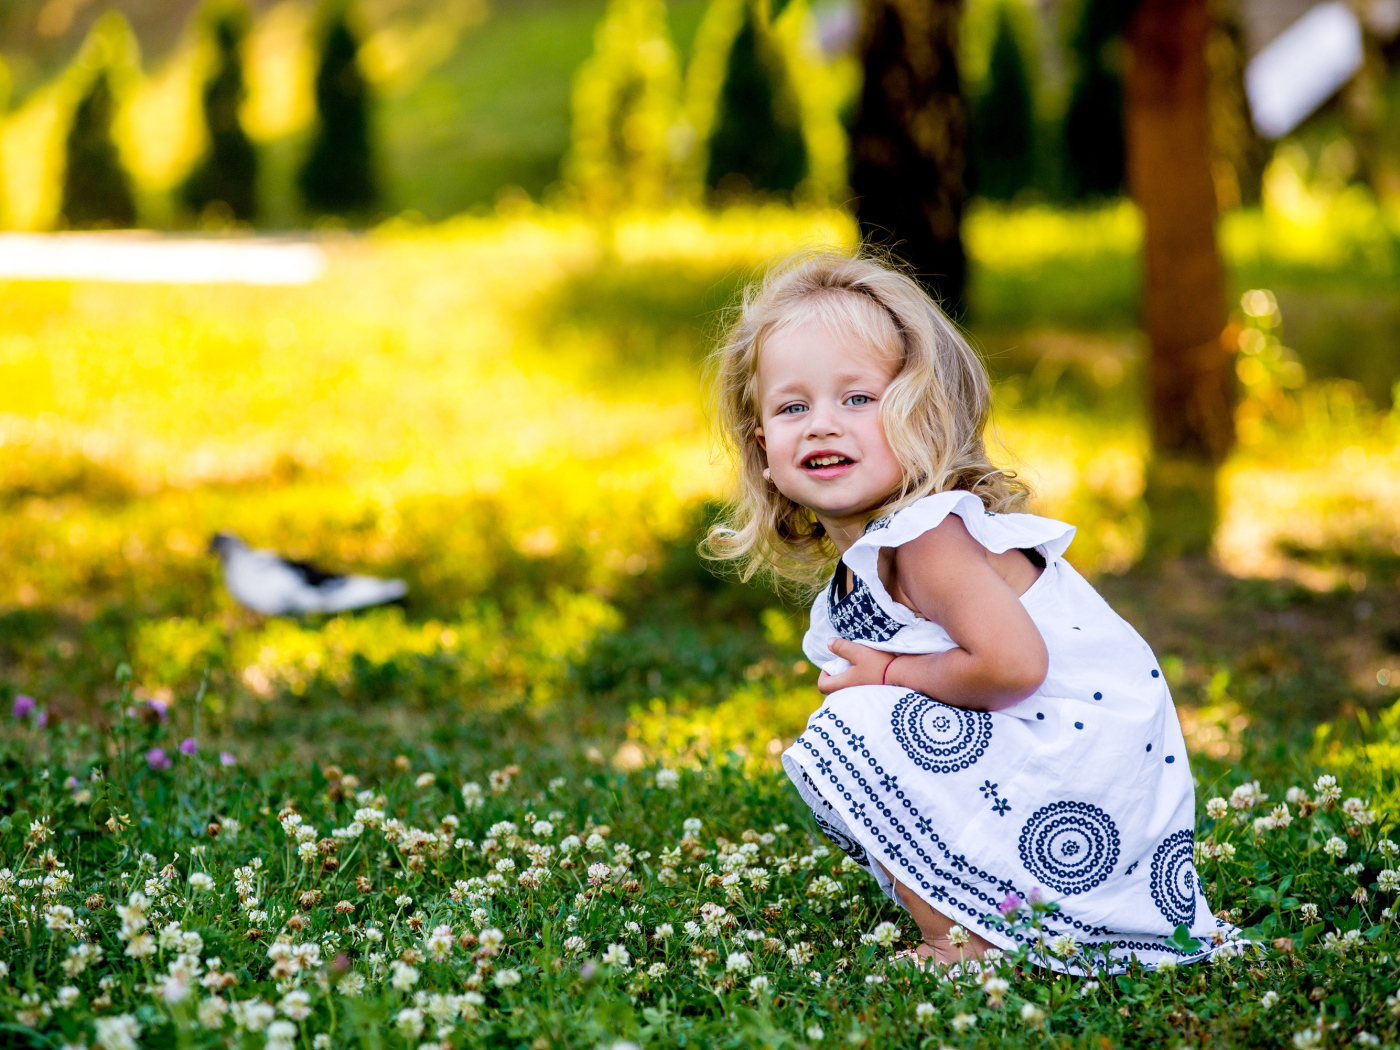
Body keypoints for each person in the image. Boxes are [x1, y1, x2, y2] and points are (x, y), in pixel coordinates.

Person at [703, 252, 1238, 972]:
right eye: (793, 407)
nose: (823, 425)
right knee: (862, 736)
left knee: (855, 725)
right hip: (1064, 774)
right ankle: (990, 908)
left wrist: (890, 672)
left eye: (857, 399)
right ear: (763, 446)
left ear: (918, 417)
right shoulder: (883, 552)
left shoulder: (928, 538)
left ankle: (964, 940)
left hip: (1086, 767)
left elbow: (1015, 665)